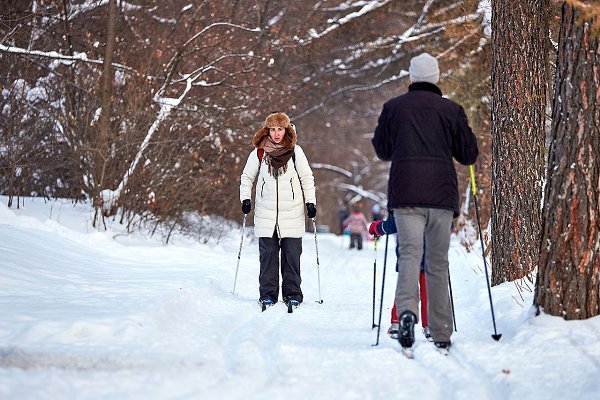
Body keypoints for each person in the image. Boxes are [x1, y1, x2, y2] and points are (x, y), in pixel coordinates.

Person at [372, 53, 478, 351]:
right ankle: (440, 330)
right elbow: (468, 154)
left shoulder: (394, 108)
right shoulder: (451, 110)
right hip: (441, 196)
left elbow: (382, 150)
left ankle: (406, 313)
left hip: (406, 194)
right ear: (436, 77)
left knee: (409, 255)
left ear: (412, 77)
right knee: (437, 262)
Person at [240, 112, 317, 310]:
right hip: (265, 213)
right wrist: (245, 198)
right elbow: (247, 177)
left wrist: (310, 202)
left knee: (292, 257)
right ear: (267, 130)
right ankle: (267, 295)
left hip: (292, 212)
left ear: (286, 130)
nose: (276, 134)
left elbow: (307, 178)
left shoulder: (295, 152)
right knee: (268, 257)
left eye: (280, 129)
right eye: (273, 129)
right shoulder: (259, 152)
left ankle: (293, 295)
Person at [369, 214, 430, 340]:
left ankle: (397, 323)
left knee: (406, 289)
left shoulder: (401, 201)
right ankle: (430, 326)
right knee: (428, 290)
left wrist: (377, 227)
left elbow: (392, 224)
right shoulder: (435, 201)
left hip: (408, 252)